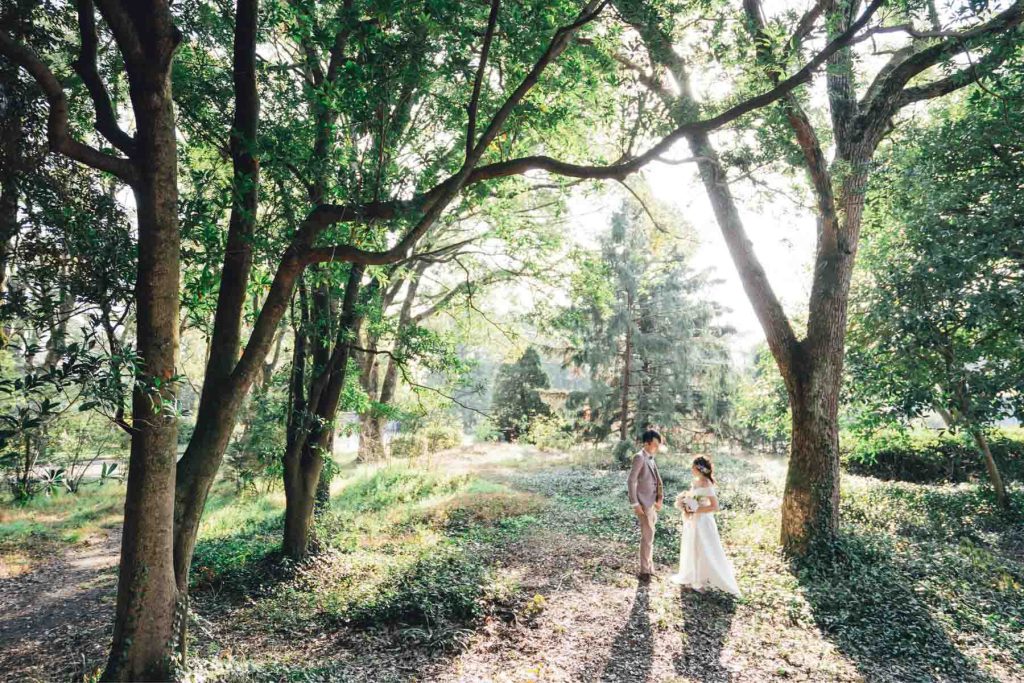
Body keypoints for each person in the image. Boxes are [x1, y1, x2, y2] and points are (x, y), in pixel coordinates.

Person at [670, 456, 741, 596]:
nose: (691, 469)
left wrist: (696, 510)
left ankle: (704, 580)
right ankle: (694, 576)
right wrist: (685, 503)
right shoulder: (696, 482)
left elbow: (715, 507)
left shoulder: (707, 483)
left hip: (703, 522)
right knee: (694, 547)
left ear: (699, 468)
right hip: (694, 521)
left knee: (705, 548)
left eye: (693, 467)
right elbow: (693, 499)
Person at [627, 429, 665, 579]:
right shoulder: (639, 457)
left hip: (652, 502)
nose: (657, 447)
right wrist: (635, 503)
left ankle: (649, 567)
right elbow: (631, 481)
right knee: (647, 537)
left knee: (650, 536)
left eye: (658, 444)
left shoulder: (651, 457)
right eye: (655, 444)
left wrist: (660, 497)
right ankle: (644, 571)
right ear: (646, 443)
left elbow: (657, 479)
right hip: (643, 503)